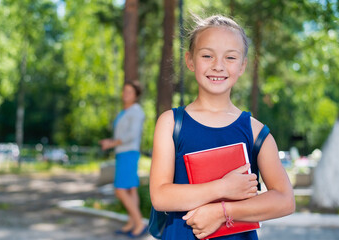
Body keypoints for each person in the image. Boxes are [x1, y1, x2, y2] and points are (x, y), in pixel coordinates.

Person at [150, 14, 295, 240]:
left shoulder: (256, 132)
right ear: (190, 60)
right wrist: (223, 188)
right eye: (207, 55)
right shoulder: (171, 123)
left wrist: (222, 212)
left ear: (243, 66)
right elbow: (160, 196)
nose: (218, 66)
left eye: (230, 57)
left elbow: (285, 200)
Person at [100, 81, 146, 238]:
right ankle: (132, 222)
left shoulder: (136, 111)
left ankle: (139, 223)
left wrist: (111, 143)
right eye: (124, 91)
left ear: (136, 95)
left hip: (129, 153)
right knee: (130, 189)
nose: (126, 94)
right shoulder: (124, 111)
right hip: (123, 153)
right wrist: (111, 142)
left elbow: (131, 135)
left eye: (130, 92)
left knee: (120, 189)